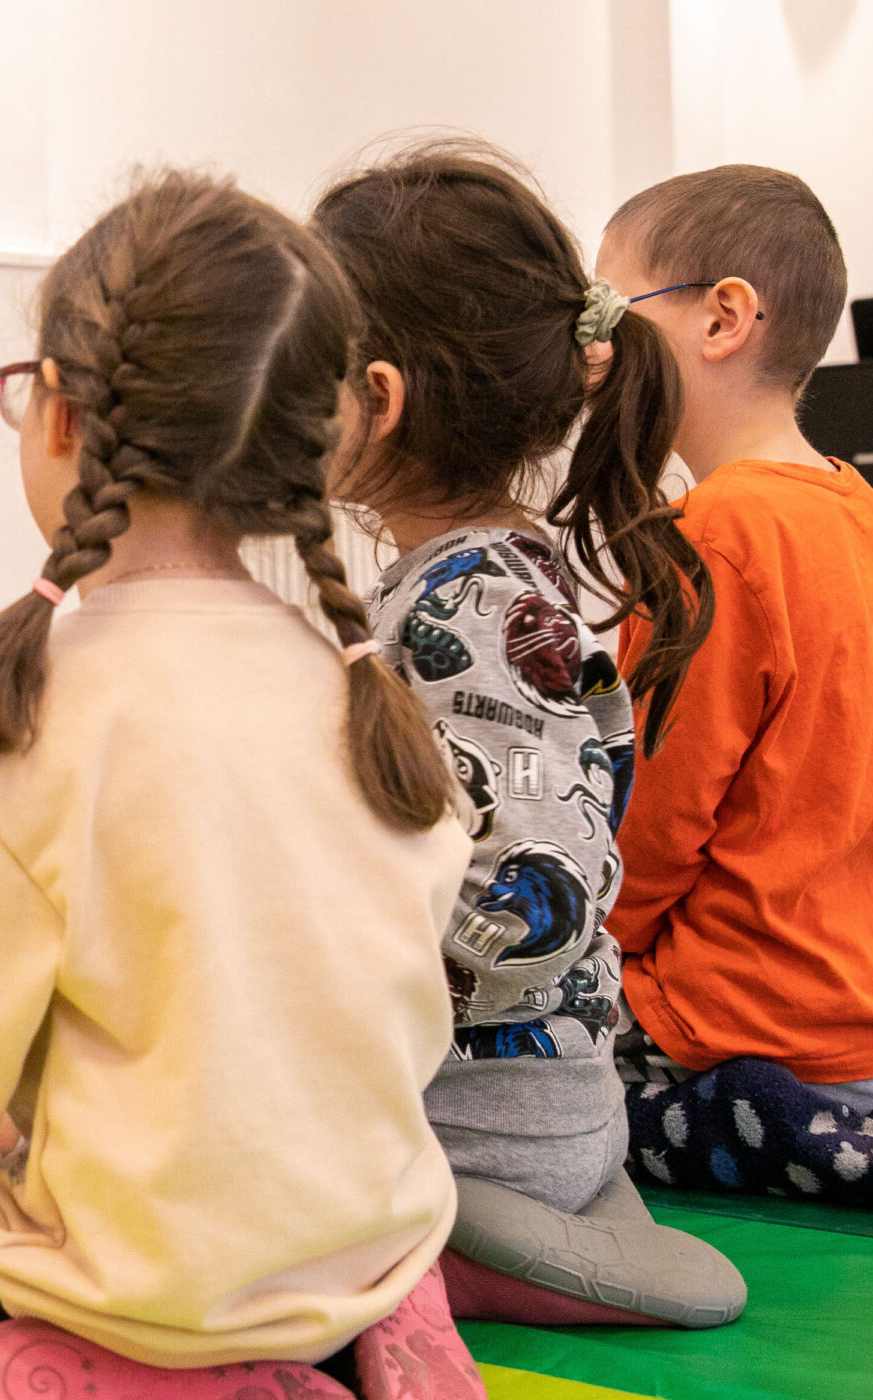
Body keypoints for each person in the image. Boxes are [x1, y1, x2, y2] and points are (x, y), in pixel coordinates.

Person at [0, 170, 487, 1400]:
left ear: (63, 414)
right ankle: (367, 1338)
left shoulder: (17, 710)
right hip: (362, 1255)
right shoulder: (365, 693)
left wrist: (0, 1141)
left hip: (151, 1298)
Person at [310, 142, 743, 1328]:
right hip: (548, 1111)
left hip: (477, 1123)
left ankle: (472, 1239)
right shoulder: (499, 576)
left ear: (381, 400)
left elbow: (529, 888)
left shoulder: (472, 608)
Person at [596, 165, 873, 1202]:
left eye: (611, 311)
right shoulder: (858, 509)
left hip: (734, 1020)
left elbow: (649, 832)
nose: (595, 348)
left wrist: (580, 960)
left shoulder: (712, 535)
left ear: (724, 318)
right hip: (851, 1012)